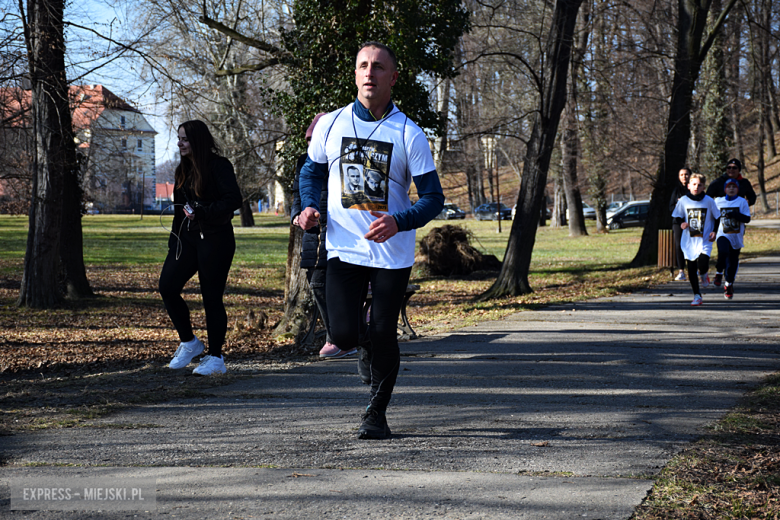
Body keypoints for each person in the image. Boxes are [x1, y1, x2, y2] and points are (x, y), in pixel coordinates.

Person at [298, 42, 445, 439]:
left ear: (392, 78)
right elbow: (310, 173)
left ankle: (375, 413)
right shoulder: (331, 124)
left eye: (378, 67)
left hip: (391, 254)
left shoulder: (408, 133)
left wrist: (399, 221)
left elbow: (434, 199)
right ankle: (363, 346)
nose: (369, 73)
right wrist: (310, 206)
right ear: (355, 74)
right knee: (344, 335)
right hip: (344, 247)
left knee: (384, 333)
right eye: (363, 65)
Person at [159, 120, 242, 375]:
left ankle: (216, 358)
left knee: (211, 297)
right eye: (178, 138)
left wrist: (203, 212)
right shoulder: (182, 170)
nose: (179, 143)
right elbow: (178, 212)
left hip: (216, 239)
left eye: (184, 139)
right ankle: (189, 342)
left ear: (198, 141)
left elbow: (233, 200)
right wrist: (174, 244)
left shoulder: (219, 166)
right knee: (167, 286)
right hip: (187, 241)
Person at [291, 113, 357, 359]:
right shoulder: (302, 162)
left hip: (344, 229)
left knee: (345, 284)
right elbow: (297, 196)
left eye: (315, 140)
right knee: (317, 281)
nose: (312, 146)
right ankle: (337, 337)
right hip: (314, 233)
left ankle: (345, 338)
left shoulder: (345, 158)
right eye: (308, 141)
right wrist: (297, 217)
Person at [672, 173, 720, 306]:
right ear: (688, 186)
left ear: (704, 187)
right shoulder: (683, 200)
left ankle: (704, 274)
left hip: (705, 239)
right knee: (691, 268)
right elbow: (677, 216)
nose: (696, 187)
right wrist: (682, 223)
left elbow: (717, 217)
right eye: (694, 184)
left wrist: (714, 231)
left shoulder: (709, 201)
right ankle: (697, 295)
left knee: (703, 263)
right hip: (689, 240)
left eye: (699, 185)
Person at [714, 179, 751, 299]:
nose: (731, 189)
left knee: (732, 262)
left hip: (736, 236)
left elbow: (747, 219)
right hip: (722, 233)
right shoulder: (718, 201)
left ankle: (728, 284)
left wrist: (734, 214)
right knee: (723, 251)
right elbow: (712, 217)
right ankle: (719, 272)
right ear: (725, 189)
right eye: (728, 187)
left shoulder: (742, 202)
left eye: (734, 187)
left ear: (737, 189)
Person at [669, 167, 692, 281]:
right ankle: (681, 271)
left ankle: (693, 269)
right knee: (679, 246)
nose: (684, 177)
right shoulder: (676, 190)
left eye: (686, 174)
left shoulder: (694, 189)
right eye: (682, 175)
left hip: (692, 222)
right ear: (679, 177)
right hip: (678, 223)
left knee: (692, 245)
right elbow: (671, 207)